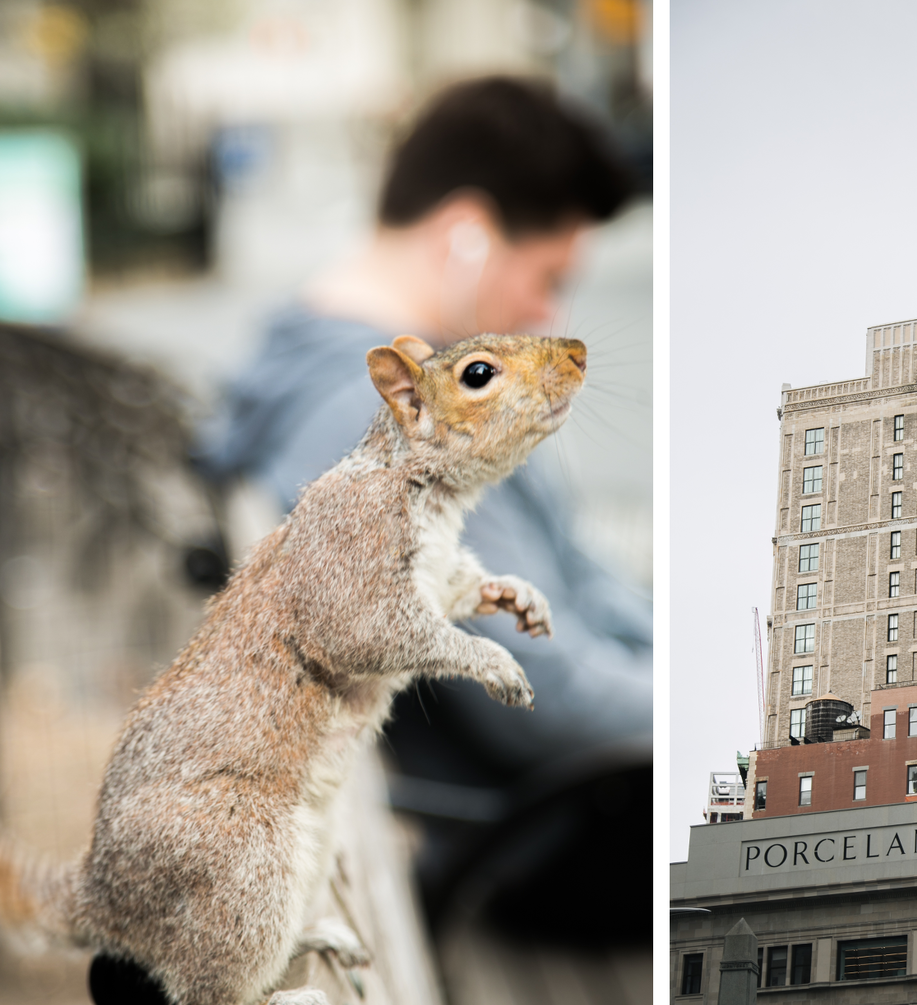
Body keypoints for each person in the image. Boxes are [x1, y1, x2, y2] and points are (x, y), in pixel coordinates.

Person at [194, 77, 650, 942]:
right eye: (548, 279)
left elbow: (584, 584)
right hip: (548, 841)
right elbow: (551, 698)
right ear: (468, 235)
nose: (549, 317)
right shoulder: (379, 419)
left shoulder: (326, 367)